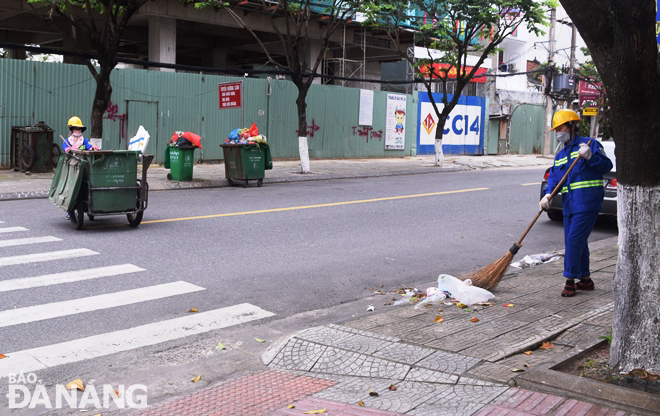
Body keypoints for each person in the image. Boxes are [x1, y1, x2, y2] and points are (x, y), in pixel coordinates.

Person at [539, 109, 613, 297]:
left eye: (560, 128)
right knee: (578, 242)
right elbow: (555, 179)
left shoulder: (589, 144)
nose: (558, 133)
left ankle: (570, 281)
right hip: (569, 205)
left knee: (573, 241)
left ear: (571, 126)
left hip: (587, 203)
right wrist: (548, 195)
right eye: (555, 130)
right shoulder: (561, 155)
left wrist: (590, 156)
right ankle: (586, 280)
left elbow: (606, 166)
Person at [62, 116, 96, 220]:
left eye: (79, 129)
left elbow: (90, 146)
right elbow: (65, 148)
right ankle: (69, 211)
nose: (78, 131)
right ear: (71, 129)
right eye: (76, 128)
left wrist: (93, 147)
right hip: (72, 168)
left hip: (84, 168)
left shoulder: (84, 140)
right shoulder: (67, 141)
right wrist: (69, 149)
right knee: (71, 190)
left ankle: (91, 209)